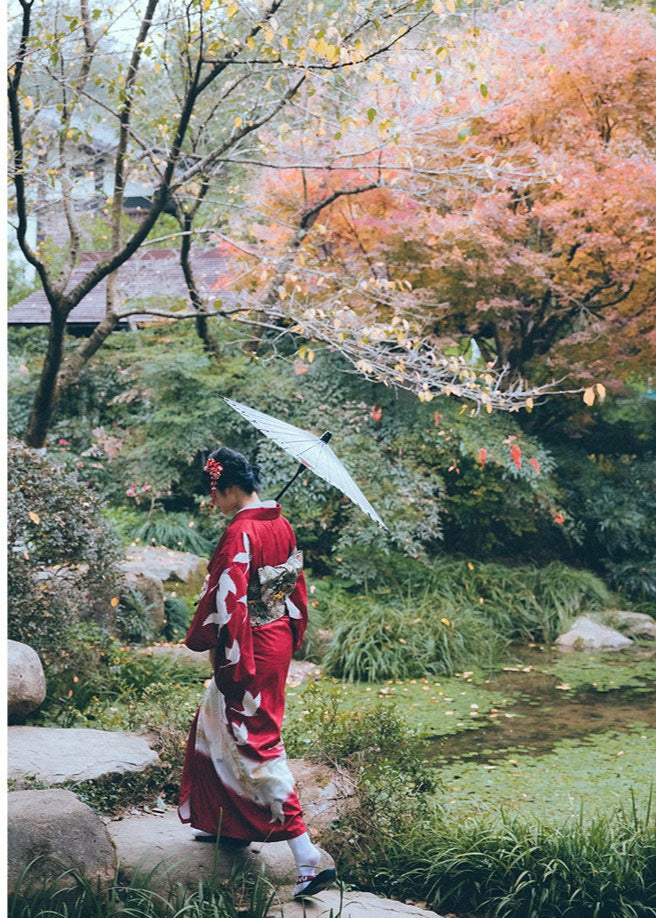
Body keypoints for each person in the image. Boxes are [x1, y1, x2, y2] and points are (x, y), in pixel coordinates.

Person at [178, 446, 336, 899]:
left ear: (230, 488)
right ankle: (224, 822)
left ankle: (305, 855)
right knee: (215, 720)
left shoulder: (241, 532)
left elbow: (228, 600)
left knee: (255, 741)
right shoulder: (278, 522)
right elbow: (295, 587)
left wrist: (230, 656)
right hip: (275, 637)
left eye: (215, 492)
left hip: (249, 643)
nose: (214, 502)